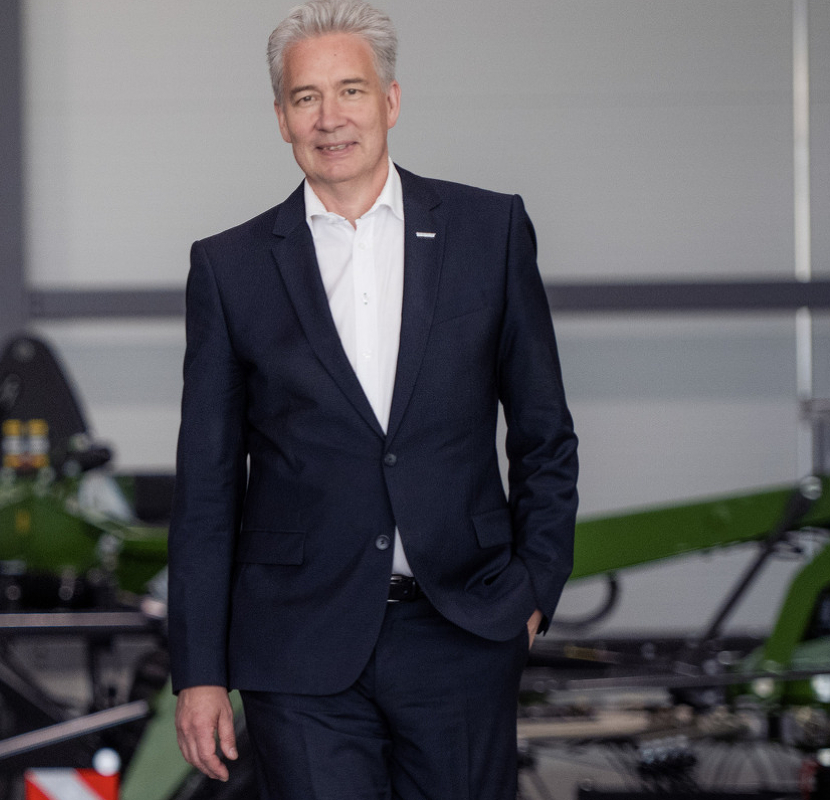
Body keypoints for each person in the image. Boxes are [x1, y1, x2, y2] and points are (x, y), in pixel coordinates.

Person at [169, 2, 578, 797]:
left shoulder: (487, 231)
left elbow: (543, 433)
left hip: (463, 626)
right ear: (281, 118)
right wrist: (200, 671)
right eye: (306, 97)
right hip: (297, 641)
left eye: (351, 91)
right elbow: (208, 485)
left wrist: (532, 592)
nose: (331, 118)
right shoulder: (230, 268)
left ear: (391, 101)